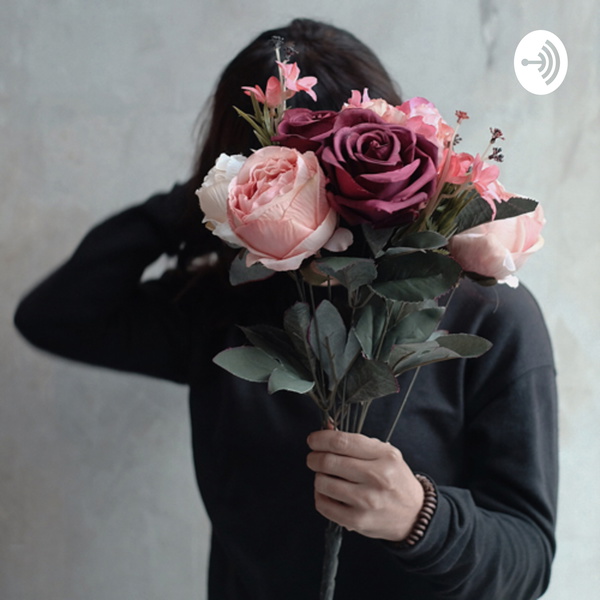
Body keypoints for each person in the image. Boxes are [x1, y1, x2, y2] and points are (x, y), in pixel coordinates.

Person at [13, 18, 558, 600]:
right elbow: (56, 315)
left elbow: (528, 562)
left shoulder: (485, 313)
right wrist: (209, 196)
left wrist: (419, 518)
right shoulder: (221, 309)